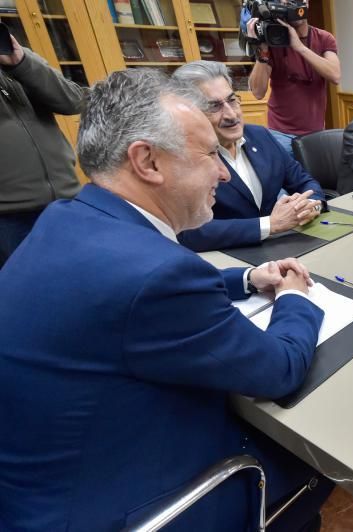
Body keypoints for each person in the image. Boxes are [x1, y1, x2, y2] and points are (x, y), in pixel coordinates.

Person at [0, 69, 332, 531]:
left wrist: (249, 277)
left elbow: (130, 299)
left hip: (34, 486)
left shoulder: (67, 216)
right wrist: (294, 298)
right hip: (115, 506)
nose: (222, 170)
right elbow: (278, 369)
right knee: (317, 461)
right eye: (210, 154)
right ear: (148, 162)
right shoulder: (158, 274)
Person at [172, 61, 324, 252]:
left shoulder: (261, 136)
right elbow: (187, 232)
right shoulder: (182, 156)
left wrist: (308, 207)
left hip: (281, 249)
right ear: (190, 113)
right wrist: (270, 225)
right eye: (214, 106)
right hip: (226, 259)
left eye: (232, 100)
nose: (231, 114)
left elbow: (304, 182)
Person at [0, 33, 84, 268]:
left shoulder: (21, 60)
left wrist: (22, 62)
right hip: (10, 215)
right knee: (27, 290)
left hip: (66, 200)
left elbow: (72, 101)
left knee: (82, 277)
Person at [243, 0, 341, 154]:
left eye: (293, 2)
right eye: (284, 3)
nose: (290, 7)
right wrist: (262, 50)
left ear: (307, 3)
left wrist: (300, 47)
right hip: (281, 133)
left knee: (313, 177)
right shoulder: (274, 40)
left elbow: (335, 75)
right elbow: (257, 92)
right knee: (286, 178)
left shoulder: (324, 38)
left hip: (315, 133)